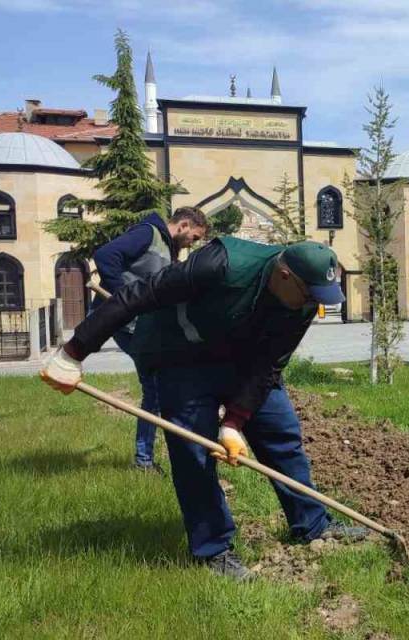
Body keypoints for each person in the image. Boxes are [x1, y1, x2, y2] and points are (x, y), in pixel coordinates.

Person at [41, 237, 368, 580]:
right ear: (284, 274)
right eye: (310, 294)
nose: (314, 304)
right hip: (181, 356)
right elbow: (138, 295)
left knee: (281, 432)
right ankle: (213, 550)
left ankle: (312, 524)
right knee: (192, 450)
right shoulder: (220, 262)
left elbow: (270, 363)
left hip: (243, 359)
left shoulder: (303, 301)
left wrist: (235, 422)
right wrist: (73, 352)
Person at [94, 207, 208, 473]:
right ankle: (144, 460)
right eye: (194, 237)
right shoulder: (148, 233)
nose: (193, 243)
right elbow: (104, 255)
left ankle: (148, 456)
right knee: (155, 388)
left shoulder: (167, 249)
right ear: (183, 225)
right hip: (127, 325)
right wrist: (125, 298)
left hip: (140, 326)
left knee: (159, 387)